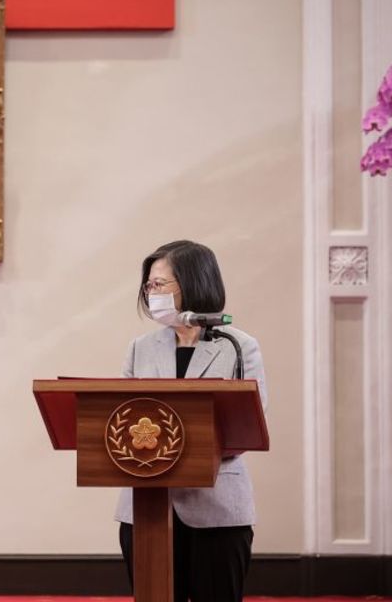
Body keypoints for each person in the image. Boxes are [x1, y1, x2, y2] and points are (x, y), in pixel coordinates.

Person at [116, 240, 267, 602]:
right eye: (148, 286)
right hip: (146, 509)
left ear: (193, 283)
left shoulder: (237, 346)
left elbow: (251, 427)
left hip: (217, 507)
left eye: (159, 284)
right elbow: (119, 421)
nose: (151, 293)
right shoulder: (141, 348)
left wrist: (177, 448)